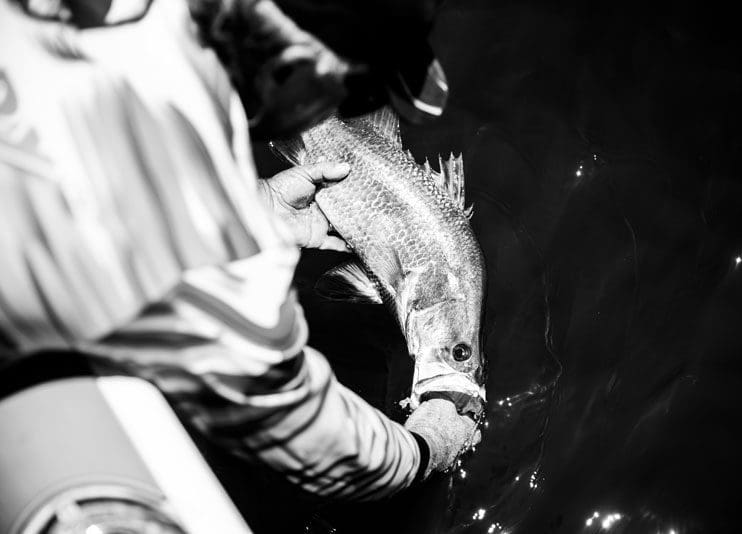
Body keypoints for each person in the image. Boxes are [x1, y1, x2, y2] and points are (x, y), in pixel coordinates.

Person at [0, 0, 479, 502]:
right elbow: (310, 435)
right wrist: (433, 442)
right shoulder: (195, 257)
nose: (354, 110)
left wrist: (256, 206)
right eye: (355, 89)